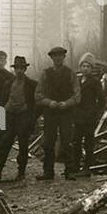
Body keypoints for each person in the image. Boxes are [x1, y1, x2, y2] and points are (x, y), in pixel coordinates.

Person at [0, 55, 37, 182]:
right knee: (4, 143)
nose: (19, 70)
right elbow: (2, 101)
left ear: (25, 69)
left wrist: (31, 120)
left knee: (23, 145)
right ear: (14, 69)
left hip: (23, 116)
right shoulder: (8, 83)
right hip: (10, 116)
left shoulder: (32, 84)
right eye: (17, 68)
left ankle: (21, 172)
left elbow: (35, 105)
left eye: (22, 68)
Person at [37, 46, 81, 180]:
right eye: (55, 56)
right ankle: (48, 172)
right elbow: (38, 94)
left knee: (67, 142)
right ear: (51, 58)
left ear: (64, 57)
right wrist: (49, 102)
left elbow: (77, 95)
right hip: (50, 113)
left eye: (60, 55)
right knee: (49, 142)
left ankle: (70, 171)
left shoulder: (71, 74)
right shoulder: (45, 74)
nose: (58, 58)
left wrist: (67, 103)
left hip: (66, 113)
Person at [74, 52, 106, 177]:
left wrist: (95, 113)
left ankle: (87, 168)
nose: (85, 69)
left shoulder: (95, 82)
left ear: (92, 69)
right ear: (80, 67)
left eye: (88, 66)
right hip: (77, 117)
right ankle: (76, 166)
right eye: (83, 66)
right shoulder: (77, 81)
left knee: (88, 143)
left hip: (89, 118)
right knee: (76, 141)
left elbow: (102, 100)